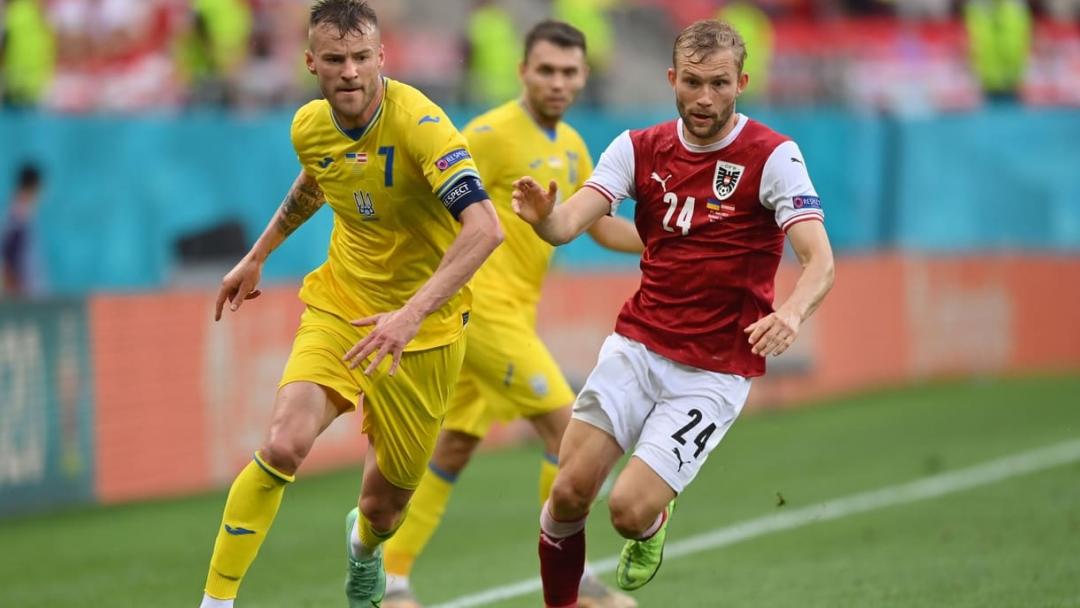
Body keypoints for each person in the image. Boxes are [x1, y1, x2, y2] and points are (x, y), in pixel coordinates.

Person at [512, 19, 835, 607]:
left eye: (718, 83)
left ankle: (653, 524)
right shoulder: (637, 147)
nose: (704, 98)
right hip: (637, 346)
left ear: (741, 82)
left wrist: (790, 313)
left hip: (714, 371)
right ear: (671, 79)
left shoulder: (773, 155)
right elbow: (567, 225)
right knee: (567, 494)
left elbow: (820, 260)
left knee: (627, 511)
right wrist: (542, 218)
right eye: (692, 82)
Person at [197, 2, 504, 607]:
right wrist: (257, 254)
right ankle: (215, 602)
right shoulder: (308, 125)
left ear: (382, 58)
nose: (350, 72)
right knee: (283, 443)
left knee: (383, 508)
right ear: (311, 62)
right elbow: (319, 177)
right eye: (334, 59)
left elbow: (485, 228)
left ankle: (364, 547)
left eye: (362, 57)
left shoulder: (421, 123)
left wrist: (409, 316)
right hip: (342, 304)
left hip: (425, 332)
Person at [380, 20, 641, 608]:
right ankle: (570, 584)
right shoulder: (491, 133)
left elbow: (594, 225)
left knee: (452, 448)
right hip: (478, 310)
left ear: (584, 76)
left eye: (569, 72)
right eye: (545, 69)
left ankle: (388, 577)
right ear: (522, 71)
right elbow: (431, 192)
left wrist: (667, 240)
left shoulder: (572, 146)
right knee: (569, 427)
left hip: (512, 318)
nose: (558, 81)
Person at [1, 162, 43, 296]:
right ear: (35, 187)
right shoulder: (19, 214)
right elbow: (9, 255)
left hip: (26, 292)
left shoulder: (21, 213)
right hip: (22, 294)